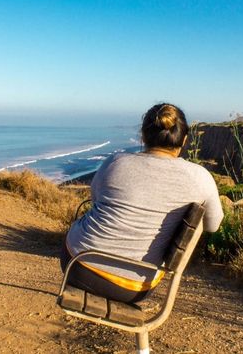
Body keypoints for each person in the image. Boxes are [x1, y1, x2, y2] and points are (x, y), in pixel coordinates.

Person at [61, 103, 223, 303]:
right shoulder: (200, 177)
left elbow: (95, 200)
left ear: (143, 136)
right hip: (133, 287)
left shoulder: (115, 162)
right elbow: (213, 225)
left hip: (76, 266)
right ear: (184, 140)